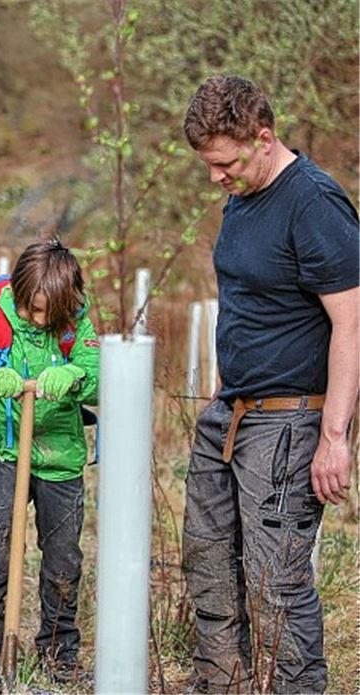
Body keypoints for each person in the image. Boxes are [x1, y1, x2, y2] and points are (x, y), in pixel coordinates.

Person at [180, 75, 358, 694]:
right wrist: (225, 389)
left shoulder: (314, 204)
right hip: (231, 412)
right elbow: (250, 303)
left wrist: (333, 435)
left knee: (275, 585)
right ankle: (222, 685)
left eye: (224, 163)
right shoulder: (243, 194)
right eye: (208, 165)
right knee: (208, 565)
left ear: (264, 138)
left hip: (289, 421)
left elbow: (351, 322)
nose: (215, 177)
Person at [0, 238, 100, 693]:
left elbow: (102, 372)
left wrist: (77, 376)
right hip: (2, 450)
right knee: (0, 536)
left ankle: (58, 652)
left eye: (50, 312)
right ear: (20, 293)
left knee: (63, 553)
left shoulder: (75, 326)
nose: (39, 319)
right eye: (33, 309)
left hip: (60, 456)